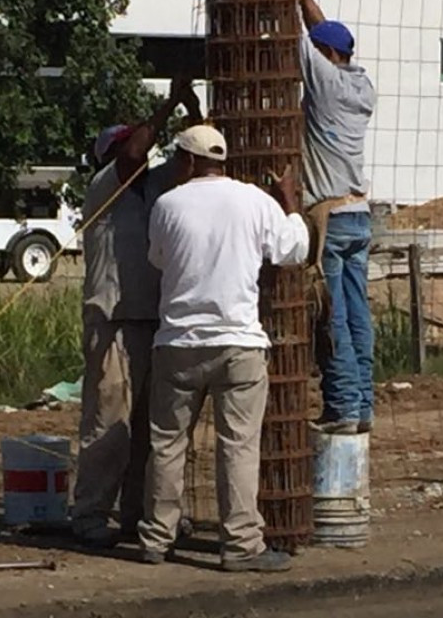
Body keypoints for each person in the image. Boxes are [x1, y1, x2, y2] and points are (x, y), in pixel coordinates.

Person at [138, 125, 309, 572]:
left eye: (178, 159)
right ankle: (240, 545)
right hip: (238, 343)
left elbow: (157, 258)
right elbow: (295, 251)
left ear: (189, 161)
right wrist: (289, 203)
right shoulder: (255, 201)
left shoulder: (166, 204)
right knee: (237, 446)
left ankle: (157, 538)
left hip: (177, 342)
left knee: (168, 445)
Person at [71, 77, 203, 547]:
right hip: (114, 321)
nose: (142, 151)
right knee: (109, 424)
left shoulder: (154, 188)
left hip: (154, 323)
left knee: (153, 428)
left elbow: (197, 158)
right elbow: (133, 156)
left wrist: (192, 107)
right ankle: (89, 514)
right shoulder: (106, 187)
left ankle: (138, 516)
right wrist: (167, 104)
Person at [288, 0, 377, 435]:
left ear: (326, 57)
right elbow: (322, 32)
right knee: (359, 315)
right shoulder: (360, 85)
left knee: (333, 318)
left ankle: (342, 407)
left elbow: (305, 36)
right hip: (360, 214)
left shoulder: (321, 82)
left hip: (330, 219)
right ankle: (362, 406)